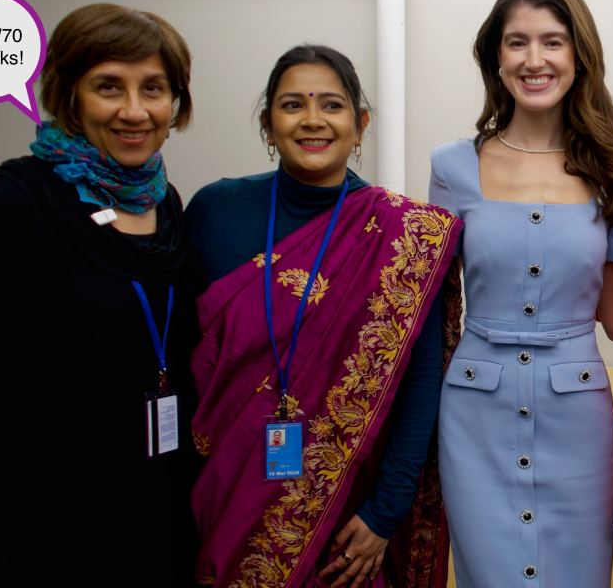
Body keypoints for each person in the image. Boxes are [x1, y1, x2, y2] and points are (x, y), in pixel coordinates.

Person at [0, 3, 201, 587]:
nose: (135, 110)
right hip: (32, 530)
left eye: (153, 88)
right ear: (69, 95)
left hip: (148, 522)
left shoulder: (167, 204)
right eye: (109, 86)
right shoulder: (13, 203)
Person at [184, 45, 460, 588]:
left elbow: (421, 382)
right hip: (225, 484)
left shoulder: (405, 238)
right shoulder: (214, 211)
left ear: (361, 124)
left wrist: (385, 511)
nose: (313, 120)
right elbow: (186, 349)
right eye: (293, 105)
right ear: (269, 124)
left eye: (332, 105)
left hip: (349, 507)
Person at [430, 0, 613, 587]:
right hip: (473, 414)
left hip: (579, 420)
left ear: (578, 55)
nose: (534, 59)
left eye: (552, 41)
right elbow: (432, 304)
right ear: (496, 57)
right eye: (516, 42)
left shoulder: (612, 171)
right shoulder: (451, 166)